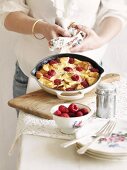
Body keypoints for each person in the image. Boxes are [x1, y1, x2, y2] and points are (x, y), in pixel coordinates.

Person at [0, 0, 127, 98]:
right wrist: (41, 27)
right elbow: (9, 12)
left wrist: (100, 39)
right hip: (31, 72)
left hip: (88, 74)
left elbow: (115, 10)